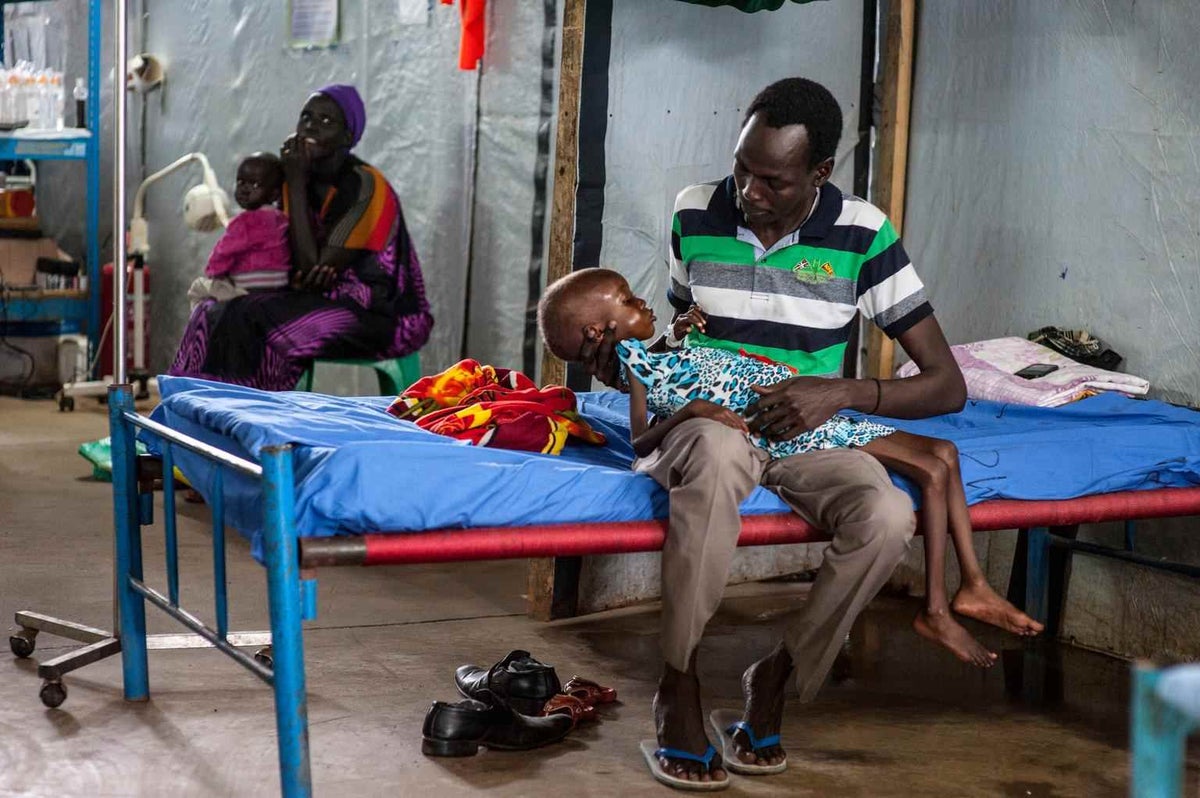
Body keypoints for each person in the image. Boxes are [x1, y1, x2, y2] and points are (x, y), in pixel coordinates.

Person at [573, 77, 978, 788]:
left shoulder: (862, 234)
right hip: (719, 426)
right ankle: (679, 684)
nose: (748, 191)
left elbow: (947, 382)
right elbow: (679, 341)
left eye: (771, 179)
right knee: (721, 452)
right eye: (741, 167)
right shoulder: (693, 213)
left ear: (819, 173)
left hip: (807, 434)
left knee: (886, 515)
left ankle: (777, 675)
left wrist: (845, 392)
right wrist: (625, 372)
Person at [539, 267, 1042, 667]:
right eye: (627, 300)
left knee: (941, 460)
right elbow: (642, 439)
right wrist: (694, 410)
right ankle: (938, 607)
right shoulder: (636, 366)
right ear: (597, 329)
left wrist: (680, 331)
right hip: (784, 422)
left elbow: (673, 363)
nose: (642, 301)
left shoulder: (651, 352)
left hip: (792, 406)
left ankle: (969, 587)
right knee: (934, 466)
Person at [170, 84, 433, 391]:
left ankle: (258, 420)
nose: (311, 125)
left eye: (326, 121)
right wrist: (307, 272)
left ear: (348, 137)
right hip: (312, 297)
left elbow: (309, 266)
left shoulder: (365, 187)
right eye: (306, 117)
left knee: (268, 325)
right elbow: (298, 265)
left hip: (383, 315)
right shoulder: (290, 176)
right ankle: (195, 406)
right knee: (213, 310)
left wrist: (295, 181)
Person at [186, 153, 291, 309]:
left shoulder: (244, 222)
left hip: (246, 291)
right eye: (240, 182)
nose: (244, 190)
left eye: (254, 185)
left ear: (275, 193)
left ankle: (202, 331)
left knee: (198, 288)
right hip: (280, 288)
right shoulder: (282, 219)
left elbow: (223, 253)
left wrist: (214, 272)